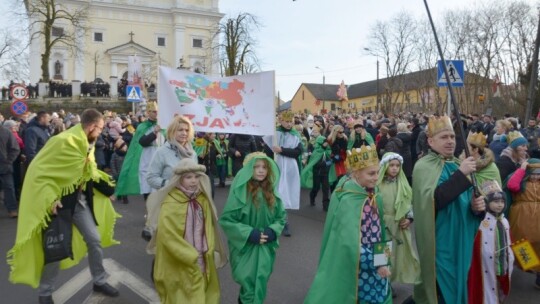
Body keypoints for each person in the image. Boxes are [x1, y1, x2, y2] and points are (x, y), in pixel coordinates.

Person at [7, 108, 120, 304]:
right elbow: (40, 172)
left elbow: (89, 171)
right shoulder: (62, 141)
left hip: (79, 202)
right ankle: (45, 293)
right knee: (55, 249)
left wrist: (109, 190)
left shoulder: (87, 144)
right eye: (100, 128)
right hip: (57, 204)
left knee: (94, 240)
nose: (101, 132)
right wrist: (50, 198)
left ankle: (99, 280)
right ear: (92, 126)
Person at [410, 115, 485, 304]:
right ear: (430, 141)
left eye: (452, 136)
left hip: (461, 239)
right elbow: (434, 201)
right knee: (441, 288)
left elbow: (470, 203)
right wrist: (461, 175)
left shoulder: (459, 165)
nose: (450, 141)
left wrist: (477, 208)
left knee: (461, 283)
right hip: (440, 241)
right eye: (444, 137)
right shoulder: (423, 166)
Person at [305, 144, 392, 303]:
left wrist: (383, 260)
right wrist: (377, 263)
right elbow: (349, 242)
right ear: (356, 174)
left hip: (376, 262)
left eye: (378, 172)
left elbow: (380, 232)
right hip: (357, 266)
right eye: (371, 173)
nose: (376, 177)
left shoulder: (374, 195)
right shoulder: (349, 199)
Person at [145, 158, 227, 304]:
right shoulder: (171, 201)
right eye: (188, 177)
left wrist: (208, 249)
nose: (193, 181)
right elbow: (167, 234)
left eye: (196, 177)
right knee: (181, 292)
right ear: (179, 179)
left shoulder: (202, 199)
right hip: (181, 257)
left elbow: (209, 226)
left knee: (200, 290)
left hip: (202, 255)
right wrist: (188, 254)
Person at [219, 152, 286, 304]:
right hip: (245, 246)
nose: (261, 170)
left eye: (264, 167)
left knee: (260, 282)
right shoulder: (240, 191)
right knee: (248, 284)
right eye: (256, 167)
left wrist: (273, 231)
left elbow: (281, 217)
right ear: (248, 169)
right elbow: (227, 220)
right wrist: (249, 233)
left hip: (265, 246)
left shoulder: (271, 191)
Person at [376, 152, 420, 289]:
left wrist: (409, 218)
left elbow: (409, 202)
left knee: (395, 254)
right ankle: (382, 281)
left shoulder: (403, 184)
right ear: (385, 166)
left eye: (397, 165)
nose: (395, 168)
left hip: (398, 225)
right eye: (391, 165)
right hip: (382, 225)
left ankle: (390, 280)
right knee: (382, 253)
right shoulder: (377, 185)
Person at [468, 180, 514, 304]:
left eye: (502, 201)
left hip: (502, 262)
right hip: (486, 263)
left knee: (498, 286)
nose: (499, 205)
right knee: (486, 287)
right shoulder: (482, 222)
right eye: (495, 201)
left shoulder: (505, 221)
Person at [263, 111, 302, 236]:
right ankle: (271, 220)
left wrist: (282, 150)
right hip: (276, 167)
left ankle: (284, 222)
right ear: (281, 121)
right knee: (274, 193)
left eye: (291, 121)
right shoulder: (275, 134)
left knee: (285, 194)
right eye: (286, 121)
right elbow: (267, 152)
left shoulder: (295, 135)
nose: (289, 124)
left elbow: (298, 151)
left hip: (290, 169)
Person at [115, 101, 164, 199]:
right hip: (147, 156)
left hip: (160, 156)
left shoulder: (163, 125)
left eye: (157, 111)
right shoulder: (142, 126)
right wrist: (154, 133)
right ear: (148, 112)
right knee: (148, 185)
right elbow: (142, 142)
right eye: (154, 111)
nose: (156, 113)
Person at [506, 159, 540, 288]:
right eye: (533, 173)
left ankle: (538, 275)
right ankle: (528, 265)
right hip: (521, 217)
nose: (536, 176)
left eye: (538, 173)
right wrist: (522, 169)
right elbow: (512, 185)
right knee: (521, 242)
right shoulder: (522, 183)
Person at [300, 134, 331, 211]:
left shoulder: (327, 151)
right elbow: (315, 164)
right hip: (317, 173)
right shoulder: (316, 152)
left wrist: (331, 161)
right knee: (316, 187)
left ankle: (325, 205)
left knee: (326, 188)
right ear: (320, 143)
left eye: (326, 142)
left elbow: (330, 159)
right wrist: (325, 163)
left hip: (325, 173)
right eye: (324, 142)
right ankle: (312, 197)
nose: (326, 143)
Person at [0, 122, 20, 218]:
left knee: (9, 188)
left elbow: (15, 148)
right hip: (5, 165)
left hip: (5, 166)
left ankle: (12, 210)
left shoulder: (6, 132)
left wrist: (9, 160)